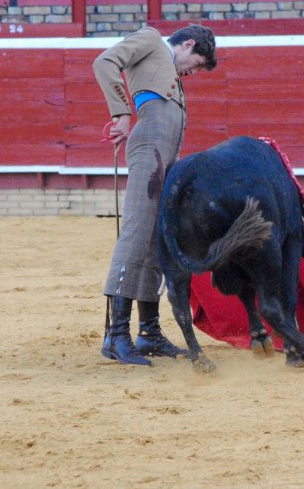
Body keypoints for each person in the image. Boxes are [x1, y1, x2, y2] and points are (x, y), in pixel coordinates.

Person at [92, 23, 217, 366]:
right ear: (188, 44)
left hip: (165, 158)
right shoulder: (150, 38)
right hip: (149, 150)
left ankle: (148, 332)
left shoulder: (171, 73)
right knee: (136, 232)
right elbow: (104, 62)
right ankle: (116, 334)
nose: (193, 72)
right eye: (197, 63)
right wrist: (120, 113)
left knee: (155, 240)